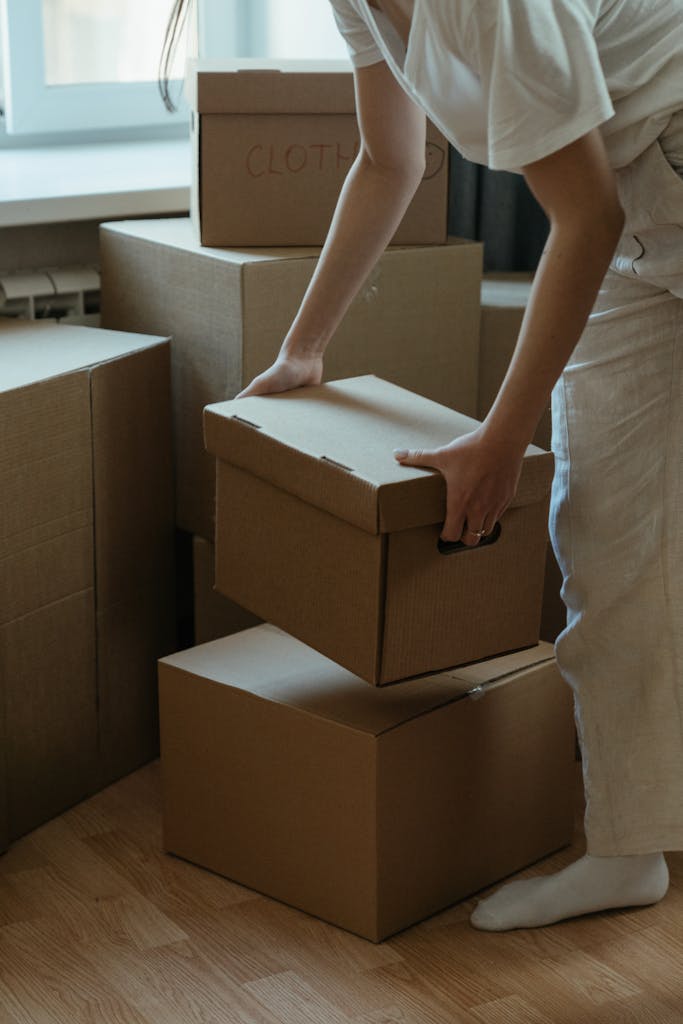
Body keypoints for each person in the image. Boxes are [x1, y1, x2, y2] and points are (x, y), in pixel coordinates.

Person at [163, 0, 683, 931]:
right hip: (628, 214)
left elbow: (584, 213)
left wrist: (497, 438)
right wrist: (303, 350)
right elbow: (386, 158)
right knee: (601, 532)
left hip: (645, 174)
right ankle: (627, 847)